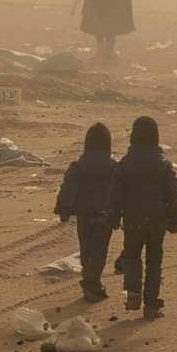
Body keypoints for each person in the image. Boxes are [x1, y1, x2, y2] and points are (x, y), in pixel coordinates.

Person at [108, 116, 177, 318]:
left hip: (133, 220)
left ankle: (133, 293)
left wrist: (113, 217)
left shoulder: (124, 164)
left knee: (131, 257)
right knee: (154, 261)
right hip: (157, 221)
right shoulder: (163, 165)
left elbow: (116, 194)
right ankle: (151, 305)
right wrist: (175, 221)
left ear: (133, 136)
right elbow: (174, 196)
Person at [53, 122, 118, 302]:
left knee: (86, 249)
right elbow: (120, 191)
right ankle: (92, 282)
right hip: (104, 215)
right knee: (100, 250)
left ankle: (89, 282)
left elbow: (68, 190)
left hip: (84, 214)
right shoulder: (114, 167)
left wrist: (63, 210)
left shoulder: (77, 167)